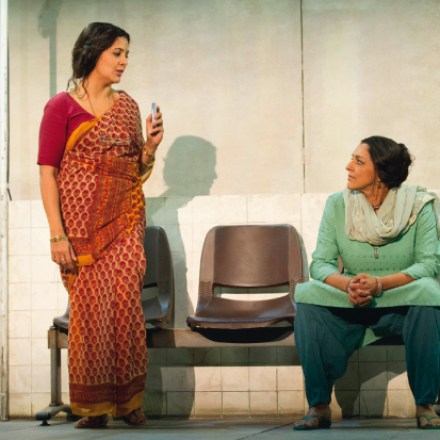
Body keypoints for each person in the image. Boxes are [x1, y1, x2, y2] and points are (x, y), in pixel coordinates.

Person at [37, 22, 164, 428]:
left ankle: (128, 402)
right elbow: (47, 172)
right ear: (94, 52)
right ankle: (94, 407)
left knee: (125, 305)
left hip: (125, 220)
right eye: (117, 53)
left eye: (127, 54)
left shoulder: (127, 106)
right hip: (79, 232)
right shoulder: (61, 107)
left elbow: (135, 169)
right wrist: (57, 235)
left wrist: (150, 147)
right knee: (90, 313)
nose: (124, 61)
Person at [293, 136, 440, 430]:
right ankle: (318, 405)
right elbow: (320, 264)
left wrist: (380, 284)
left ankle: (425, 404)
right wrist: (348, 285)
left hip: (401, 300)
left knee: (428, 294)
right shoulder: (338, 204)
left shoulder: (419, 204)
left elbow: (429, 263)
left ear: (381, 172)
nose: (348, 167)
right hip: (352, 299)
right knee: (307, 297)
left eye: (358, 161)